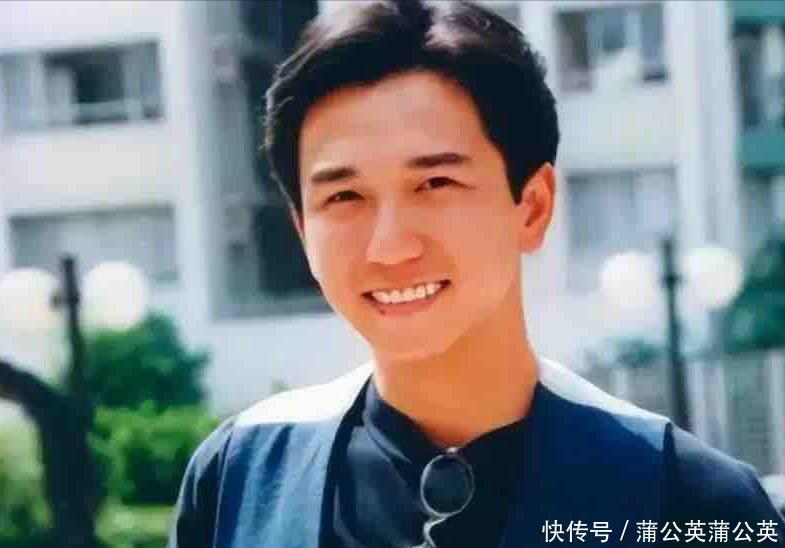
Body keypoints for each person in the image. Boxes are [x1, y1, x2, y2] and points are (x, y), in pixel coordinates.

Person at [168, 1, 785, 546]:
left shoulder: (689, 498)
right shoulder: (240, 475)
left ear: (532, 206)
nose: (389, 246)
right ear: (303, 229)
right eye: (344, 196)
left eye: (435, 183)